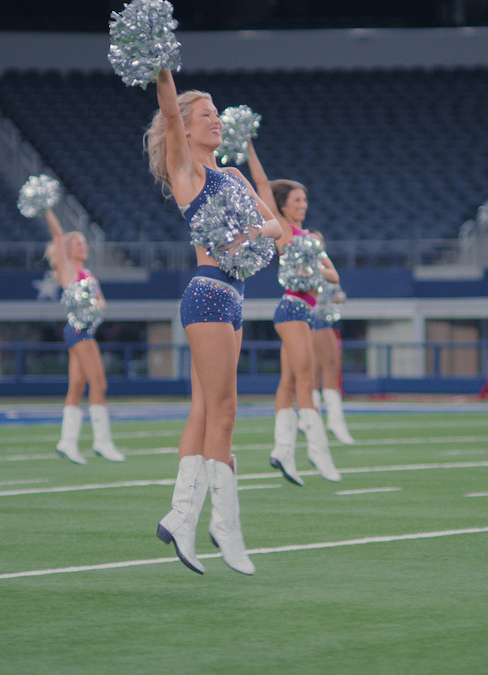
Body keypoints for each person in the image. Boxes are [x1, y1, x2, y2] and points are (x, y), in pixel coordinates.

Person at [145, 69, 282, 575]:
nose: (217, 121)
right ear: (185, 126)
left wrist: (248, 231)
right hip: (206, 295)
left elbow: (276, 226)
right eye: (207, 115)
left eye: (218, 115)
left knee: (205, 411)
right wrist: (163, 66)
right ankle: (225, 525)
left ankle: (181, 516)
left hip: (235, 298)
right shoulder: (190, 173)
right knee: (225, 412)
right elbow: (166, 107)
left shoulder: (234, 176)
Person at [246, 143, 342, 485]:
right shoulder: (284, 229)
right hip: (292, 308)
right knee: (308, 376)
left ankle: (283, 450)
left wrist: (314, 271)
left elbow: (334, 275)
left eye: (305, 200)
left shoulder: (309, 239)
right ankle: (318, 450)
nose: (303, 205)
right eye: (297, 200)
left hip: (303, 310)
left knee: (289, 381)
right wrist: (249, 147)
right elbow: (261, 184)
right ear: (284, 205)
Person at [41, 210, 125, 464]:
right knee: (99, 384)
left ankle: (67, 442)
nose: (84, 246)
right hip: (78, 331)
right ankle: (102, 442)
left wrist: (97, 307)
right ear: (67, 250)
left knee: (77, 386)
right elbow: (57, 233)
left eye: (84, 243)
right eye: (78, 243)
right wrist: (46, 208)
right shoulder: (68, 270)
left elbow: (101, 302)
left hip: (86, 330)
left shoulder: (89, 275)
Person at [308, 231, 356, 445]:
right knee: (330, 365)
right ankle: (333, 421)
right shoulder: (309, 266)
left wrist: (338, 298)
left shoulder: (321, 265)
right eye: (315, 241)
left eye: (321, 241)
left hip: (322, 321)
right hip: (315, 321)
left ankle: (312, 419)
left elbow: (334, 291)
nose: (319, 245)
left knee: (319, 368)